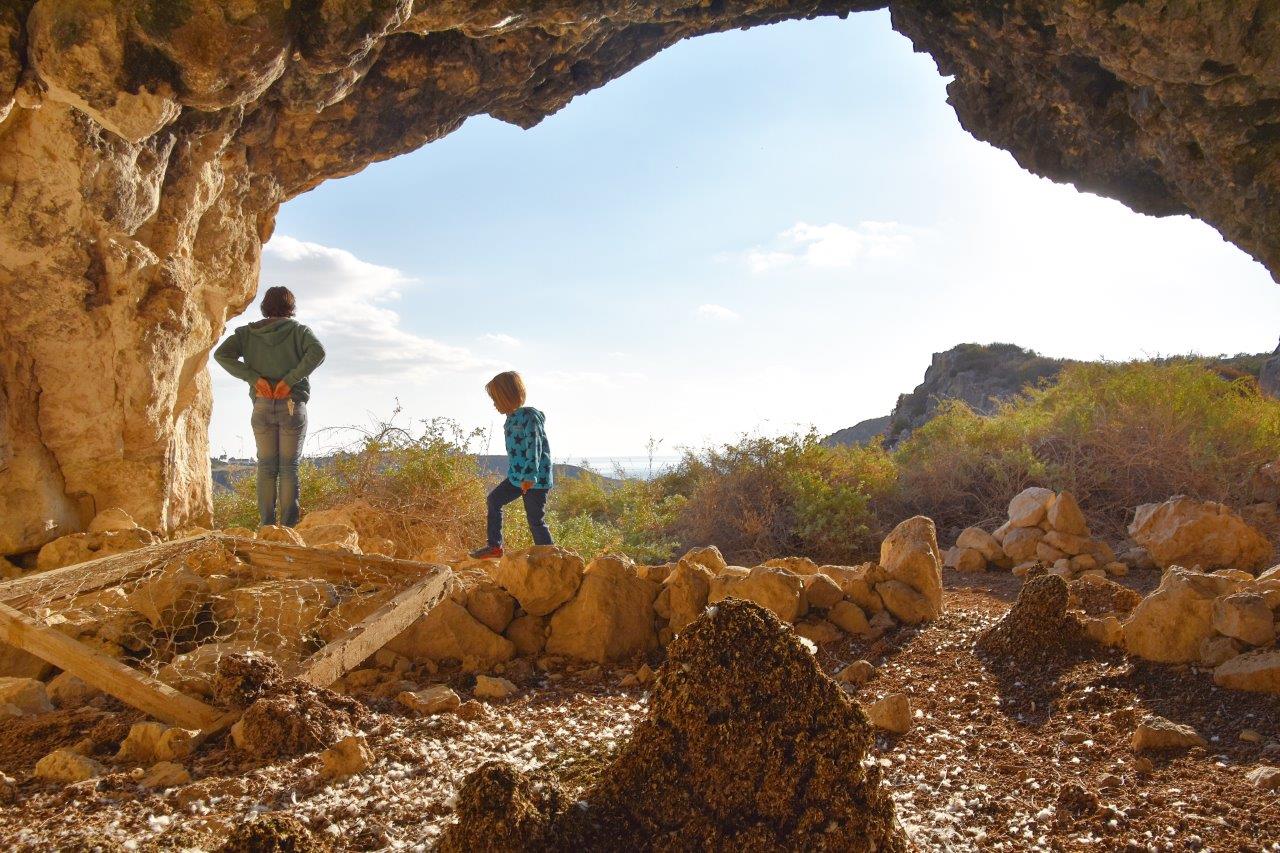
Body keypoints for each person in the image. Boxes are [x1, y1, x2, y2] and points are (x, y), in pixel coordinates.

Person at [213, 285, 325, 527]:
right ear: (291, 307)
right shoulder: (299, 331)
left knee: (265, 467)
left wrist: (254, 379)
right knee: (289, 468)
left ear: (265, 307)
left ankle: (266, 526)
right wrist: (290, 380)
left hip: (262, 406)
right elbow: (318, 352)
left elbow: (221, 355)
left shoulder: (247, 334)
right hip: (292, 405)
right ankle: (287, 529)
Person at [470, 371, 554, 558]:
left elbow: (535, 446)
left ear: (508, 396)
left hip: (534, 479)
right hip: (517, 478)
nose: (494, 404)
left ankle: (551, 557)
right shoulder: (511, 419)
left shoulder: (530, 416)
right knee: (494, 500)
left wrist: (530, 476)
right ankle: (495, 547)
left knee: (535, 520)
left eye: (496, 399)